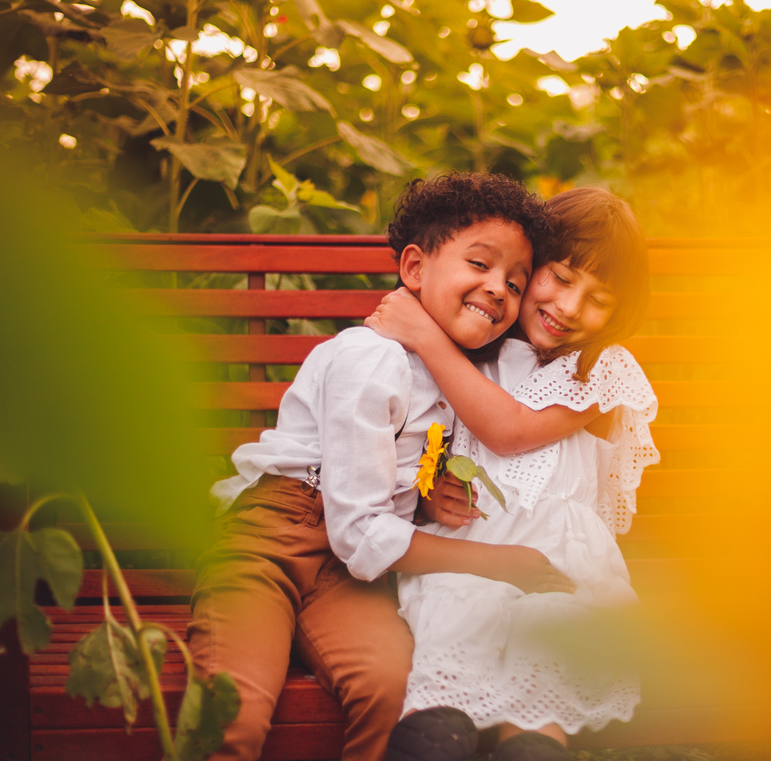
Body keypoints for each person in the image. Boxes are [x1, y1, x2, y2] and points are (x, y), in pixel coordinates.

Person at [186, 173, 575, 761]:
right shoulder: (368, 358)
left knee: (393, 695)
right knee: (233, 712)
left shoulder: (454, 378)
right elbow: (359, 527)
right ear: (414, 268)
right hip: (270, 542)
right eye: (479, 264)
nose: (498, 288)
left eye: (515, 283)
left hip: (352, 574)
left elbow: (381, 501)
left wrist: (427, 499)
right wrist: (501, 564)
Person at [365, 187, 659, 761]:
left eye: (598, 298)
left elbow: (509, 431)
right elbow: (434, 451)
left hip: (558, 566)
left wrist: (423, 333)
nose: (570, 306)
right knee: (444, 691)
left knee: (537, 690)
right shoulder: (476, 347)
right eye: (561, 277)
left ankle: (532, 743)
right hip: (465, 559)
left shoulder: (601, 367)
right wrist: (433, 499)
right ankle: (435, 732)